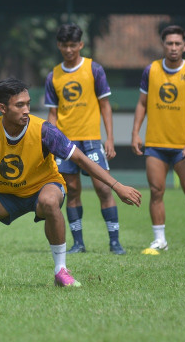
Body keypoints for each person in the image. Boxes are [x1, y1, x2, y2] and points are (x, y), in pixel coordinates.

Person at [0, 78, 142, 288]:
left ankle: (61, 271)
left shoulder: (45, 131)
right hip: (5, 193)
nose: (26, 110)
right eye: (19, 105)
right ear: (3, 108)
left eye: (28, 103)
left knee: (50, 202)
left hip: (44, 186)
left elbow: (80, 159)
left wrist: (117, 186)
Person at [45, 23, 124, 255]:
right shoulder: (54, 75)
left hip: (91, 140)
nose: (69, 50)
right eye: (64, 45)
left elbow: (105, 106)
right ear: (59, 45)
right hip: (65, 143)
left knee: (104, 189)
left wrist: (110, 138)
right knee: (72, 191)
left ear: (81, 44)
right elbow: (52, 113)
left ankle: (115, 242)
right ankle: (78, 243)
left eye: (73, 45)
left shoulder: (94, 69)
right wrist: (51, 142)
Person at [131, 25, 185, 254]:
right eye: (169, 43)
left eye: (177, 44)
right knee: (156, 191)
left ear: (184, 46)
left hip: (181, 145)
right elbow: (142, 103)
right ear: (163, 45)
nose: (173, 48)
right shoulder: (151, 70)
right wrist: (136, 133)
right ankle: (159, 240)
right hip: (155, 143)